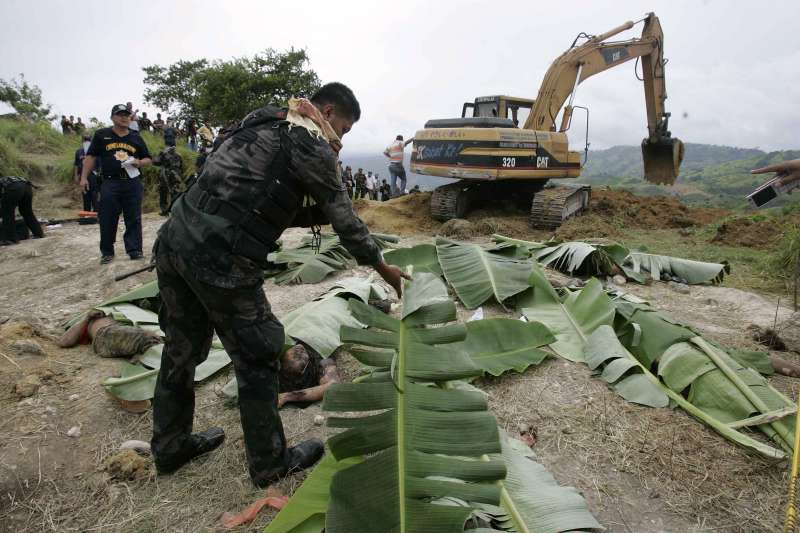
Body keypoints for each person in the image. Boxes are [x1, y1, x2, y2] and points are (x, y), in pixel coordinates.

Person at [150, 82, 409, 486]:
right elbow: (348, 224)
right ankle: (270, 462)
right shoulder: (311, 143)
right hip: (222, 259)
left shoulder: (265, 121)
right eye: (343, 127)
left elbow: (253, 198)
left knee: (181, 348)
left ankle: (169, 447)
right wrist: (387, 272)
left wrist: (310, 213)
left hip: (175, 240)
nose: (340, 138)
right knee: (258, 356)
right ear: (326, 109)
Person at [80, 104, 152, 264]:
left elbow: (148, 158)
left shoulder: (136, 137)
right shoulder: (101, 135)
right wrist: (83, 177)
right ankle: (107, 252)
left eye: (126, 115)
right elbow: (91, 157)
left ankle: (134, 250)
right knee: (107, 217)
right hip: (110, 182)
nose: (124, 117)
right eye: (120, 114)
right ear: (112, 117)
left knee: (133, 217)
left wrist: (138, 162)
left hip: (132, 182)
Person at [0, 176, 44, 245]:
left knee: (7, 213)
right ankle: (38, 233)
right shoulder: (5, 180)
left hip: (14, 187)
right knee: (27, 212)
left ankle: (10, 239)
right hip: (27, 186)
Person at [153, 144, 185, 216]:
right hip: (174, 176)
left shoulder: (164, 154)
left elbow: (156, 162)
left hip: (167, 176)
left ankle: (167, 210)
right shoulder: (178, 155)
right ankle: (174, 210)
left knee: (165, 193)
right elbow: (182, 167)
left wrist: (159, 155)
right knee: (173, 193)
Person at [74, 134, 101, 212]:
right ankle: (86, 212)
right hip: (83, 175)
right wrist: (76, 175)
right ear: (82, 140)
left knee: (94, 193)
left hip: (93, 175)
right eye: (85, 140)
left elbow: (99, 164)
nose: (86, 142)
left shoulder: (96, 151)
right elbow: (76, 164)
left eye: (88, 140)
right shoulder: (79, 151)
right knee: (85, 193)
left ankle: (96, 212)